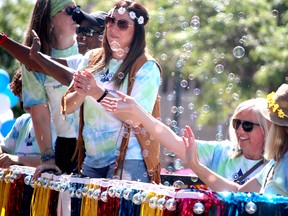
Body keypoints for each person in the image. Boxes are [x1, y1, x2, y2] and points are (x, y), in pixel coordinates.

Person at [100, 91, 271, 184]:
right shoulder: (223, 151)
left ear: (266, 129)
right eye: (236, 123)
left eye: (247, 125)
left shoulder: (277, 165)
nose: (240, 130)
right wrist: (138, 111)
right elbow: (172, 140)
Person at [182, 83, 288, 196]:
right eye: (236, 123)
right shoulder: (277, 162)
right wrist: (195, 165)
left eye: (273, 122)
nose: (270, 126)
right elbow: (239, 193)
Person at [20, 0, 80, 175]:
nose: (77, 15)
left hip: (98, 150)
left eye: (78, 9)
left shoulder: (89, 47)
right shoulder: (31, 61)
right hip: (66, 147)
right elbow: (40, 115)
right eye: (69, 10)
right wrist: (47, 159)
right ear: (50, 20)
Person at [0, 69, 55, 168]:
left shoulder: (62, 123)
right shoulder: (22, 122)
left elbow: (59, 162)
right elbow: (4, 151)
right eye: (22, 92)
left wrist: (18, 160)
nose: (26, 99)